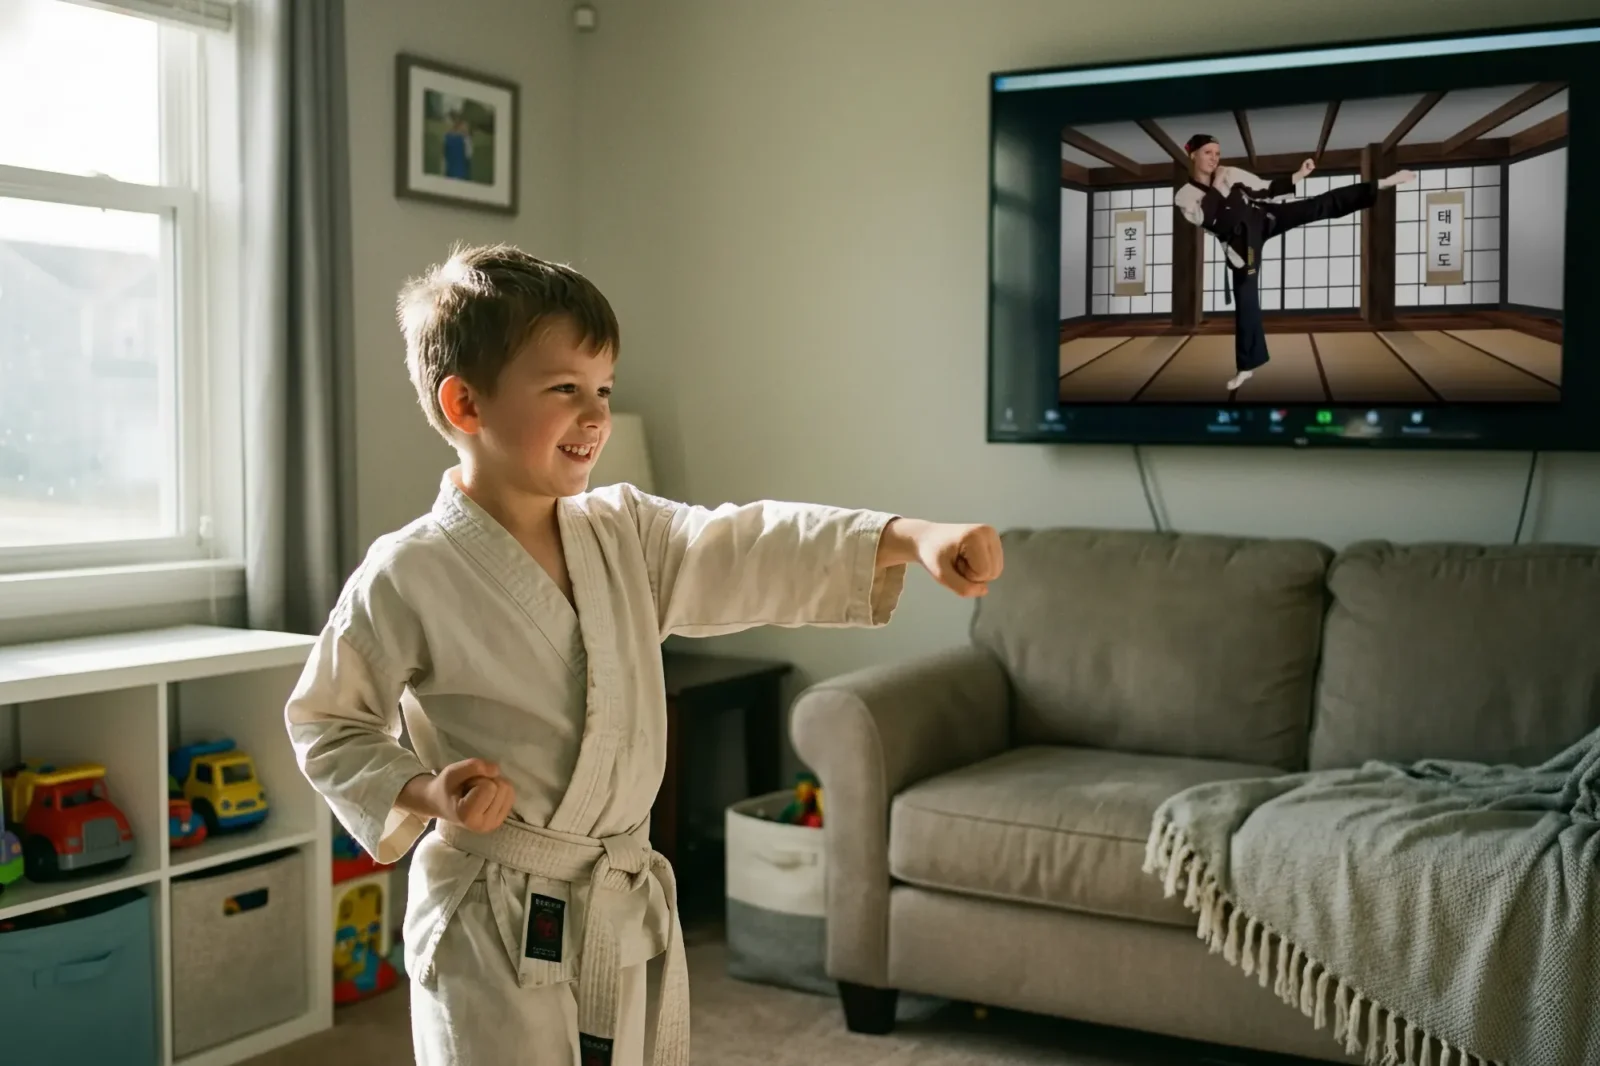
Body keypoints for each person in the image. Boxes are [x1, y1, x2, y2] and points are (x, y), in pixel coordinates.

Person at [283, 244, 1005, 1066]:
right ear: (464, 403)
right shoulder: (411, 569)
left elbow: (749, 542)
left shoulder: (623, 531)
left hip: (616, 902)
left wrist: (905, 539)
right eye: (564, 390)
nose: (594, 416)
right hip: (490, 913)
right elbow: (328, 721)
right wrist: (426, 790)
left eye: (603, 390)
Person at [1173, 133, 1417, 390]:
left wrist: (1299, 174)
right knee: (1246, 300)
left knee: (1317, 206)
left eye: (1217, 153)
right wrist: (1215, 186)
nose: (1214, 158)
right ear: (1193, 155)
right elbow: (1210, 220)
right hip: (1242, 243)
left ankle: (1380, 184)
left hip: (1264, 216)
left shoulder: (1229, 172)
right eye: (1207, 153)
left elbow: (1265, 189)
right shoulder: (1184, 196)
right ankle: (1246, 366)